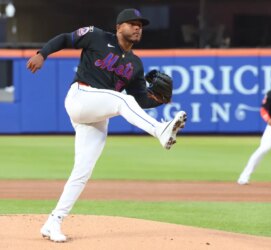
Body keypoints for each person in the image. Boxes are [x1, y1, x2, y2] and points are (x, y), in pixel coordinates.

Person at [26, 8, 187, 242]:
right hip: (80, 96)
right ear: (119, 26)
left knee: (82, 171)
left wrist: (158, 100)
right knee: (122, 100)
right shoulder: (97, 36)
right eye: (132, 23)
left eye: (140, 25)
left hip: (98, 113)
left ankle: (53, 222)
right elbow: (65, 39)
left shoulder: (135, 64)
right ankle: (160, 130)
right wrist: (43, 53)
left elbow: (139, 100)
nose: (137, 27)